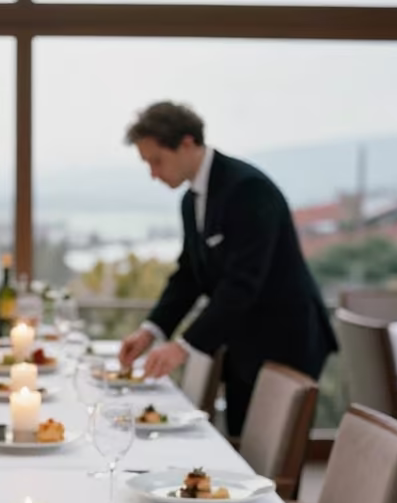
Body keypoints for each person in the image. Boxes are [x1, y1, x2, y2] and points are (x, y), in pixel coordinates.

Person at [118, 101, 337, 436]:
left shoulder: (248, 189)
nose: (154, 174)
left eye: (157, 161)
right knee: (241, 438)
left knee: (266, 449)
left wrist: (183, 346)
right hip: (243, 339)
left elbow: (242, 283)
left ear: (187, 143)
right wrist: (153, 330)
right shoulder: (191, 201)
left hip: (286, 338)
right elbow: (189, 275)